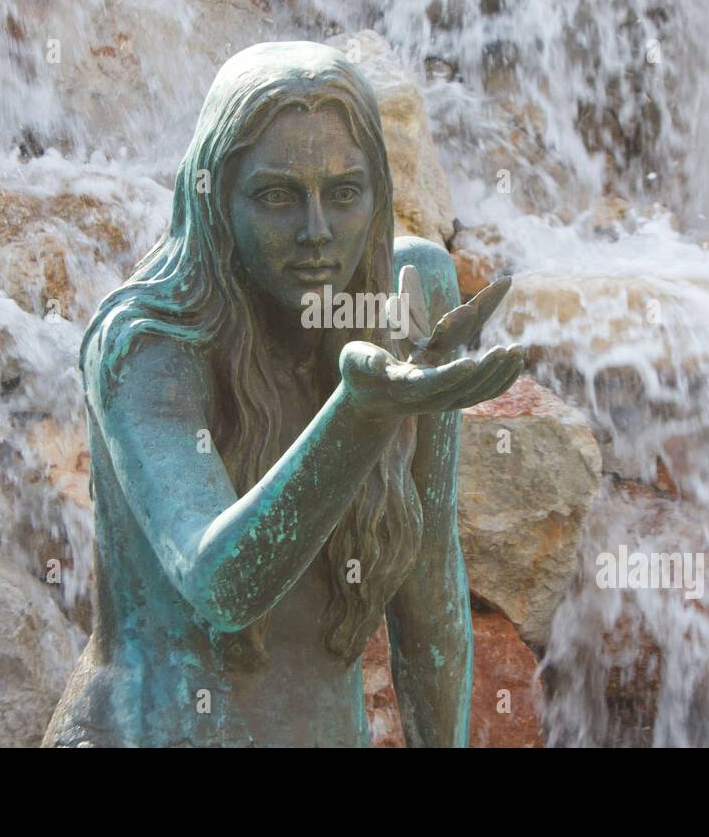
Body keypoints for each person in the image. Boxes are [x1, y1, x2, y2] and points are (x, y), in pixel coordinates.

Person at [43, 41, 523, 747]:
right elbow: (222, 586)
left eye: (345, 192)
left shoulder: (408, 294)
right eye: (276, 196)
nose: (317, 231)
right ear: (213, 198)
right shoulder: (146, 343)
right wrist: (361, 413)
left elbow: (429, 587)